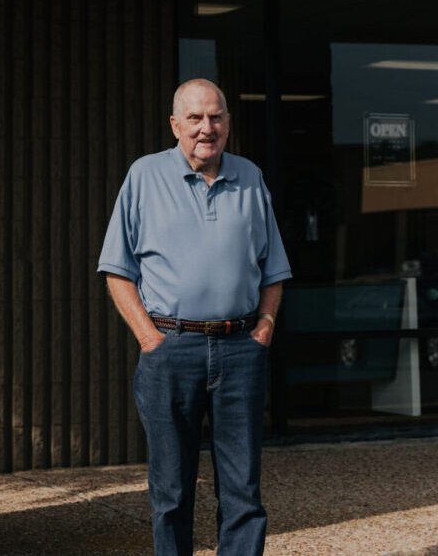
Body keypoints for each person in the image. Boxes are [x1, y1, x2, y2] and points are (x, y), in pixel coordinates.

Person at [97, 78, 292, 556]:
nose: (207, 128)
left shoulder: (250, 176)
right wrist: (148, 337)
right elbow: (116, 270)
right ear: (175, 124)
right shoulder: (144, 176)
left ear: (228, 122)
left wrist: (264, 327)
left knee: (243, 490)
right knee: (171, 489)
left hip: (240, 349)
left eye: (217, 117)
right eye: (196, 118)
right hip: (170, 350)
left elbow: (274, 269)